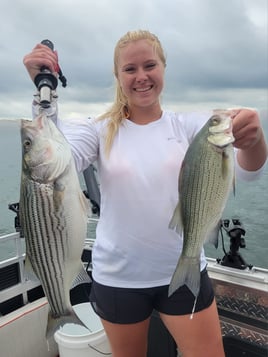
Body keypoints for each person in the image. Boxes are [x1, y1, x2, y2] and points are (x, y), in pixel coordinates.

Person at [23, 30, 267, 357]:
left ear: (164, 68)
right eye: (130, 69)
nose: (141, 76)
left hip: (183, 266)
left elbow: (246, 171)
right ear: (118, 76)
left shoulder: (190, 127)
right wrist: (42, 97)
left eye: (150, 65)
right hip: (118, 280)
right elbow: (55, 157)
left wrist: (253, 141)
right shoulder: (97, 129)